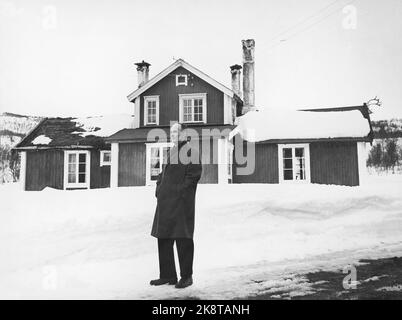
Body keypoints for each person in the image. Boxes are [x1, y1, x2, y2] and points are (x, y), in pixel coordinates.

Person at [150, 122, 202, 289]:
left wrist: (180, 193)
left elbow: (193, 176)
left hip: (181, 203)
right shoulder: (171, 152)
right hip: (165, 202)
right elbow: (163, 174)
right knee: (163, 237)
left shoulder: (191, 152)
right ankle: (167, 275)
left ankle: (187, 277)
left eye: (175, 132)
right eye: (171, 132)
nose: (172, 135)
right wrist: (159, 189)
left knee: (183, 238)